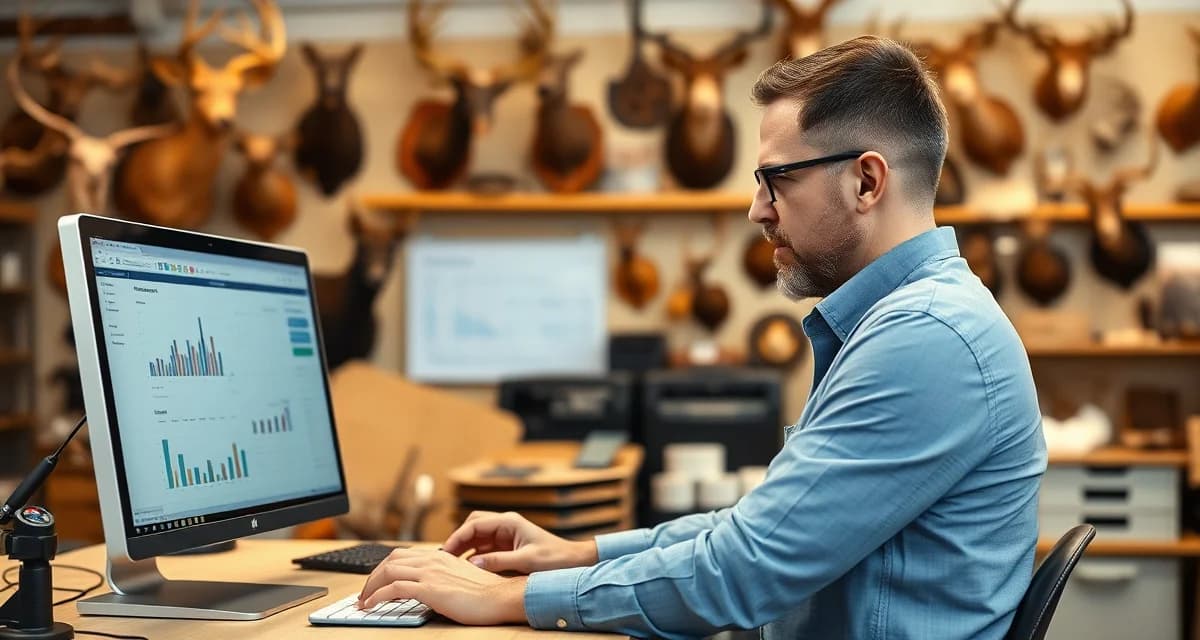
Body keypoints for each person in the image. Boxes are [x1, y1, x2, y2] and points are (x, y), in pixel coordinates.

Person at [358, 35, 1045, 639]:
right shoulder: (904, 322)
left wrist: (509, 596)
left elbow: (744, 571)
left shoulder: (926, 339)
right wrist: (579, 555)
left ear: (866, 181)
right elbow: (762, 531)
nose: (757, 210)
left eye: (777, 180)